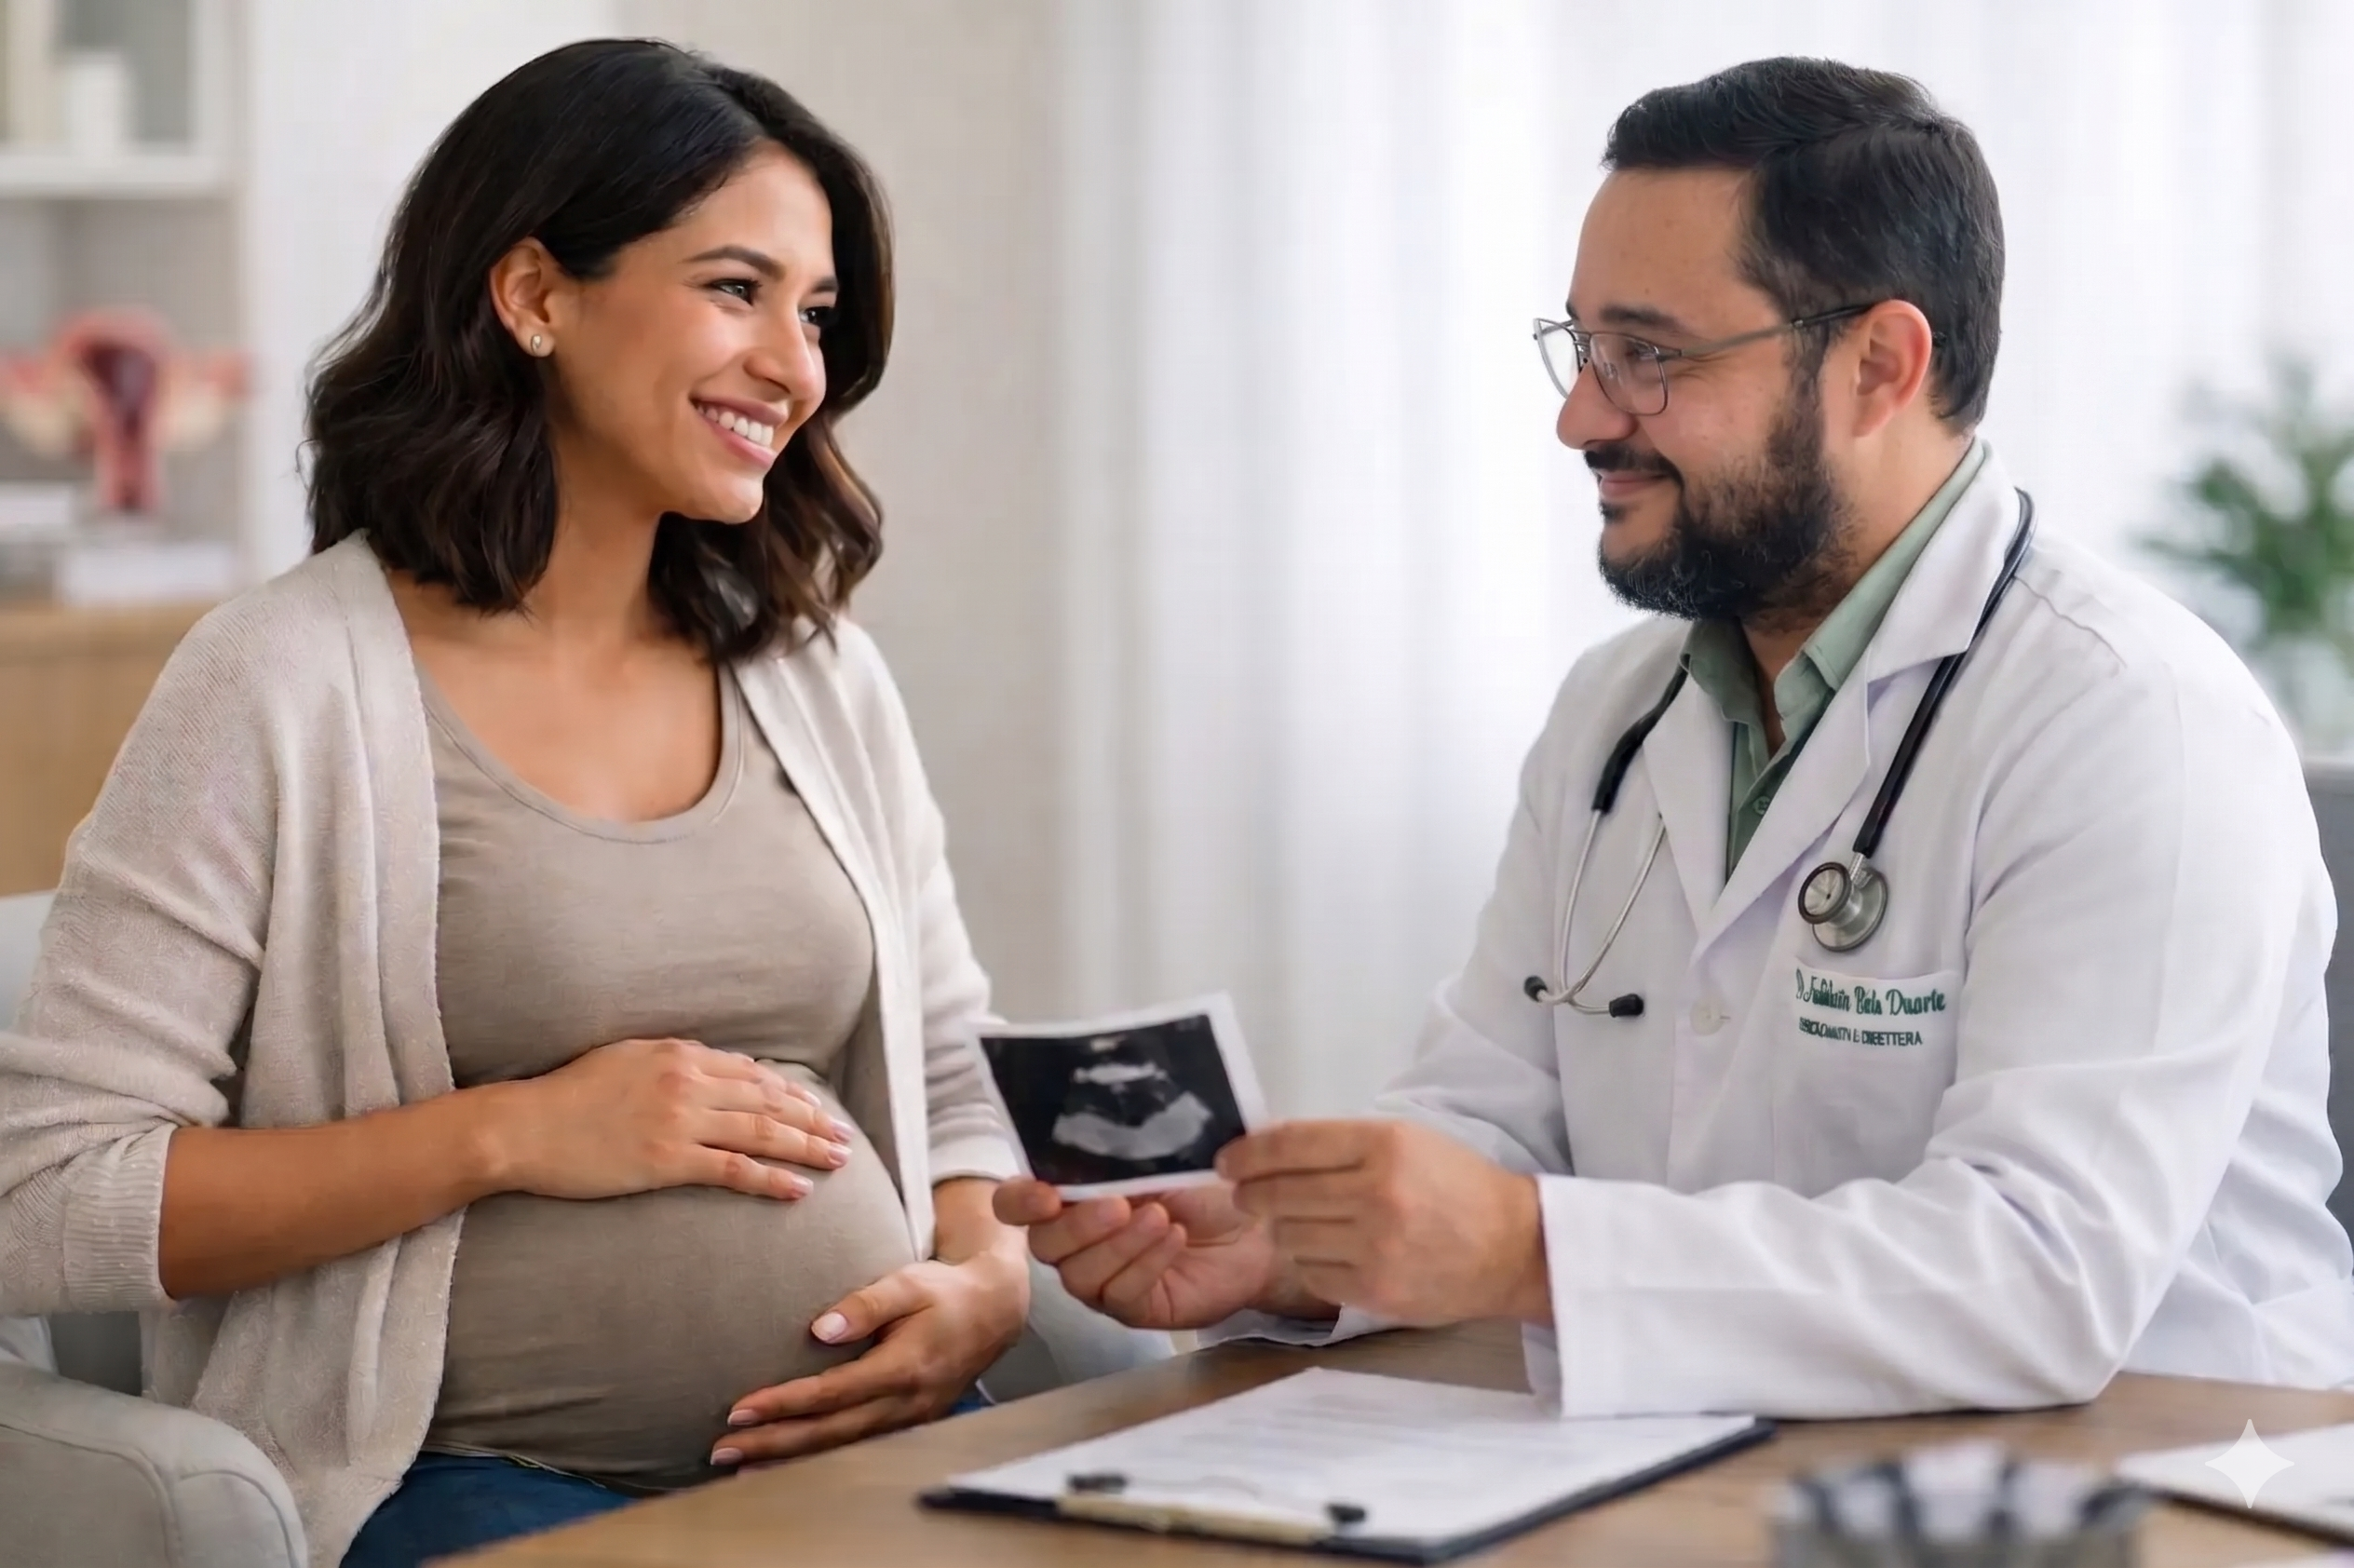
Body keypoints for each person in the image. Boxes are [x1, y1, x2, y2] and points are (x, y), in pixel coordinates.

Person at [998, 56, 2354, 1415]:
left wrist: (1532, 1251)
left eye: (1652, 357)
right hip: (1729, 1463)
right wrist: (1300, 1250)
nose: (1582, 416)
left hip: (2151, 1481)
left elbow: (2040, 1273)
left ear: (1879, 364)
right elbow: (1492, 1112)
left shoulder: (2131, 724)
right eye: (1584, 349)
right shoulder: (1619, 711)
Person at [0, 39, 1072, 1568]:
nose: (796, 364)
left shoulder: (819, 678)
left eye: (815, 312)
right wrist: (512, 1134)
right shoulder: (282, 681)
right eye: (734, 290)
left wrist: (981, 1282)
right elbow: (44, 1193)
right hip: (468, 1486)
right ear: (535, 295)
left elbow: (950, 1071)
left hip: (862, 1470)